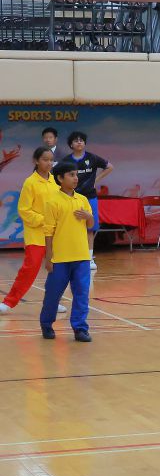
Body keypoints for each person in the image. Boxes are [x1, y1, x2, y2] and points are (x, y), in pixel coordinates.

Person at [0, 147, 66, 315]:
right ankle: (8, 302)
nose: (49, 163)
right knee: (30, 269)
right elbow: (24, 210)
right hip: (36, 235)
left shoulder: (55, 181)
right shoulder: (30, 182)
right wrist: (44, 220)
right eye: (45, 159)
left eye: (51, 160)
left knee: (57, 271)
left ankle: (53, 302)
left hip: (55, 236)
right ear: (36, 161)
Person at [39, 160, 94, 342]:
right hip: (60, 258)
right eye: (71, 175)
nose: (75, 178)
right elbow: (48, 232)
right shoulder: (52, 202)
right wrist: (48, 258)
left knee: (81, 295)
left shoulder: (82, 200)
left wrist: (89, 216)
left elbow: (90, 225)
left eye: (76, 175)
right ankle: (46, 324)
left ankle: (80, 328)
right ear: (60, 178)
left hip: (81, 257)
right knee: (53, 295)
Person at [64, 131, 113, 270]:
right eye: (76, 140)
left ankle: (89, 258)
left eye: (81, 140)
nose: (79, 142)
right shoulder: (66, 161)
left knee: (90, 228)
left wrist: (96, 180)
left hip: (90, 197)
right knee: (71, 227)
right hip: (72, 198)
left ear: (84, 143)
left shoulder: (92, 158)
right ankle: (72, 256)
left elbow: (110, 167)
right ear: (71, 145)